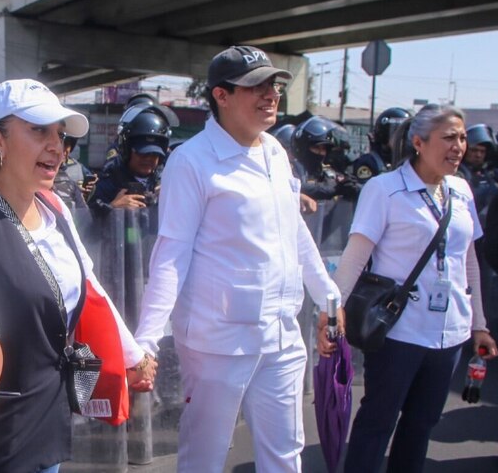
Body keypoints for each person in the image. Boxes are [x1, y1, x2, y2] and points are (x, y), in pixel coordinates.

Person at [133, 45, 342, 473]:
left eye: (273, 86)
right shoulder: (191, 162)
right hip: (217, 341)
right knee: (205, 456)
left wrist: (329, 299)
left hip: (282, 334)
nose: (270, 95)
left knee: (286, 453)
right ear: (220, 96)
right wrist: (147, 341)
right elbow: (171, 253)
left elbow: (295, 232)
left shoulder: (275, 152)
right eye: (254, 86)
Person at [0, 79, 157, 473]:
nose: (56, 145)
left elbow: (91, 287)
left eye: (59, 133)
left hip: (51, 420)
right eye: (38, 130)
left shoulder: (55, 210)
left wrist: (133, 355)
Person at [334, 104, 498, 473]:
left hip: (449, 332)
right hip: (398, 330)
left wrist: (479, 324)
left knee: (421, 424)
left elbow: (468, 258)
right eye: (449, 138)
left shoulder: (461, 190)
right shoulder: (385, 189)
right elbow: (355, 256)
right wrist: (333, 314)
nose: (459, 146)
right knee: (378, 421)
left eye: (462, 137)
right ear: (419, 143)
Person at [87, 97, 174, 215]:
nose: (148, 158)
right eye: (142, 153)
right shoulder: (108, 184)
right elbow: (87, 225)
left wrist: (171, 198)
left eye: (155, 153)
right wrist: (113, 208)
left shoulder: (168, 182)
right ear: (126, 150)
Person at [290, 115, 358, 202]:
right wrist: (326, 189)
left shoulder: (327, 172)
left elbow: (338, 183)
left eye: (323, 149)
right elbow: (293, 186)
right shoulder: (291, 169)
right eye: (316, 148)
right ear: (303, 147)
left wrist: (348, 185)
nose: (320, 153)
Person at [351, 107, 411, 183]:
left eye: (406, 134)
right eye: (398, 134)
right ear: (384, 135)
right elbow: (366, 189)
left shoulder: (411, 161)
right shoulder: (370, 162)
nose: (403, 139)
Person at [51, 135, 93, 212]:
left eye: (67, 144)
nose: (66, 150)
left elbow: (85, 219)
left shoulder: (77, 168)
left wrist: (88, 192)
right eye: (61, 143)